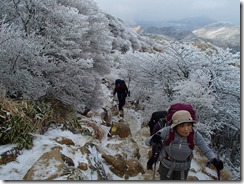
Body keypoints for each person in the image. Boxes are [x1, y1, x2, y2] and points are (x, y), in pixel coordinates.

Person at [145, 110, 224, 180]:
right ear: (175, 126)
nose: (186, 129)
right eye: (181, 126)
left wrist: (214, 160)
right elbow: (147, 142)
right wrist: (154, 139)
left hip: (183, 169)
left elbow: (206, 150)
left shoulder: (195, 135)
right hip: (166, 166)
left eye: (189, 125)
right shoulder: (167, 131)